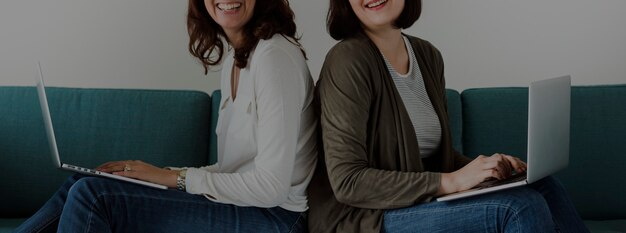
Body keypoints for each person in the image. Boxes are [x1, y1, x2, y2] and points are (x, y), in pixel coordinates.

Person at [15, 0, 317, 232]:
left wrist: (175, 178)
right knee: (82, 181)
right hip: (245, 205)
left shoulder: (275, 57)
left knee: (94, 196)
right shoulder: (236, 63)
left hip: (276, 219)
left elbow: (270, 187)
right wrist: (155, 174)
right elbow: (234, 170)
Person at [307, 0, 588, 232]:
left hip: (416, 203)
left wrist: (490, 169)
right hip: (363, 219)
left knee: (543, 185)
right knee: (520, 207)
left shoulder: (427, 56)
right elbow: (348, 181)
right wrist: (451, 181)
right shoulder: (347, 61)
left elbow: (434, 156)